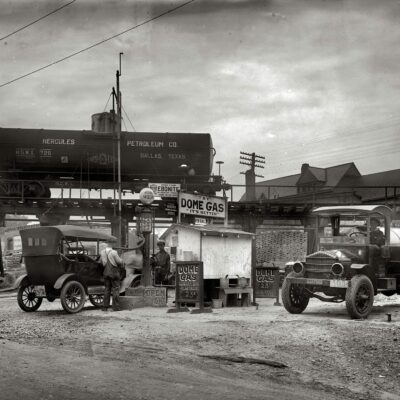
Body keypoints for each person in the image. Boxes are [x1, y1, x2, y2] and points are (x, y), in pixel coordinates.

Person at [100, 240, 123, 311]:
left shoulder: (102, 252)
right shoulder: (114, 252)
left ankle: (104, 307)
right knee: (115, 289)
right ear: (112, 245)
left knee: (107, 289)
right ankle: (116, 307)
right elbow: (119, 262)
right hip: (114, 273)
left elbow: (102, 263)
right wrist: (122, 260)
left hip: (106, 273)